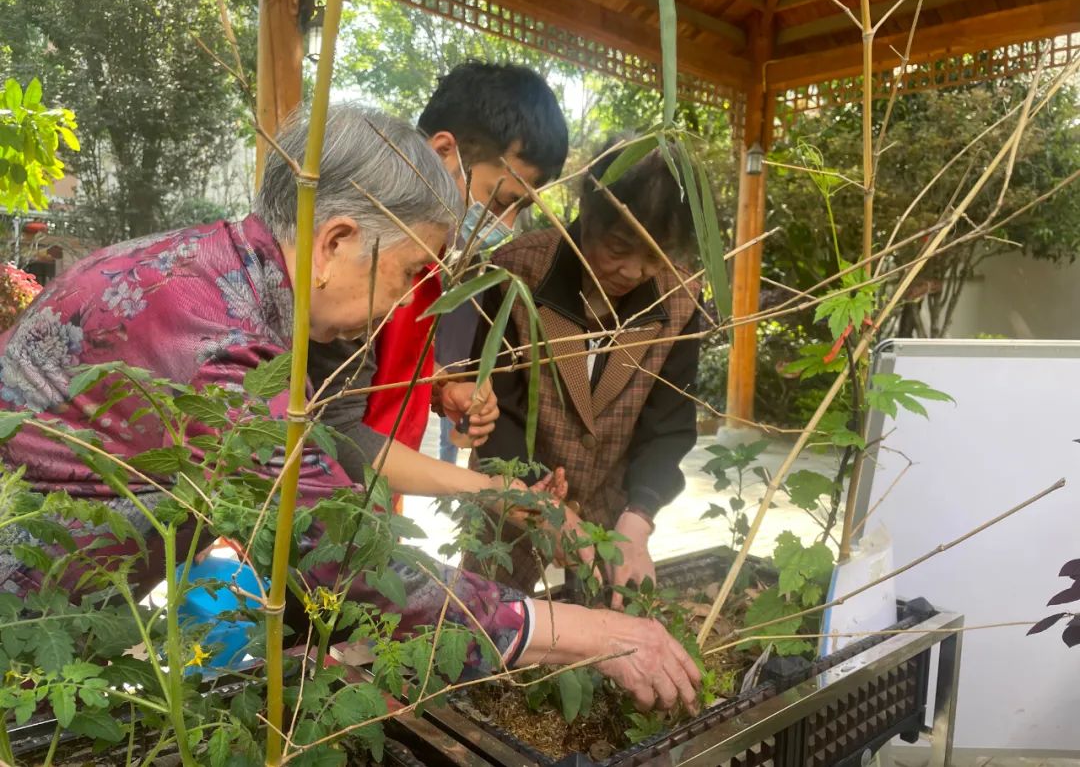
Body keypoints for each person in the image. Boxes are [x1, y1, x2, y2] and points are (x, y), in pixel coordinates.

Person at [0, 107, 698, 710]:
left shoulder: (214, 275)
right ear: (335, 242)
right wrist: (598, 636)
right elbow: (342, 556)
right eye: (407, 273)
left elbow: (323, 459)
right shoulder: (206, 332)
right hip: (21, 620)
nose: (403, 304)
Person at [307, 62, 569, 489]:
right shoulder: (364, 250)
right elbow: (335, 423)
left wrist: (441, 386)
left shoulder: (436, 258)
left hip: (374, 499)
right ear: (443, 152)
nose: (505, 225)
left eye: (521, 211)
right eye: (500, 199)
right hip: (324, 501)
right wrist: (491, 490)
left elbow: (376, 368)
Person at [470, 141, 703, 605]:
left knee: (610, 624)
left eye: (655, 255)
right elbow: (498, 412)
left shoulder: (678, 300)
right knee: (488, 616)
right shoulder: (517, 274)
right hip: (514, 497)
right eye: (619, 247)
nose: (635, 271)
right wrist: (538, 504)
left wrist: (637, 520)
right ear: (587, 210)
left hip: (613, 508)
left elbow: (670, 425)